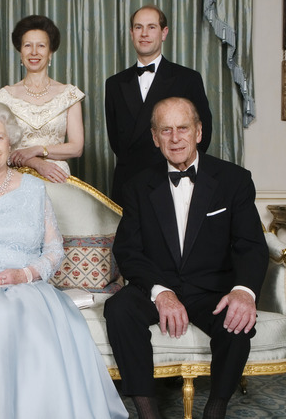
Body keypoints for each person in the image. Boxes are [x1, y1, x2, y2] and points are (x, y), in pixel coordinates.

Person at [0, 101, 128, 419]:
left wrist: (24, 274)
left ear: (10, 143)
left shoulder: (33, 188)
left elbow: (54, 251)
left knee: (27, 319)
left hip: (26, 283)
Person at [103, 97, 268, 419]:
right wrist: (161, 292)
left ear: (198, 132)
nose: (175, 138)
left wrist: (243, 291)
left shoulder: (234, 180)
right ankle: (148, 411)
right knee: (119, 308)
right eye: (166, 130)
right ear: (155, 137)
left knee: (236, 321)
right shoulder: (137, 185)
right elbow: (128, 250)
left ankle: (216, 409)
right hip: (160, 285)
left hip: (213, 289)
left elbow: (250, 244)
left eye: (183, 128)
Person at [105, 5, 212, 207]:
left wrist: (178, 166)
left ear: (164, 33)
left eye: (151, 27)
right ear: (131, 33)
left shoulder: (188, 79)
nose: (144, 34)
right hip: (129, 183)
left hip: (173, 178)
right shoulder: (113, 84)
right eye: (138, 27)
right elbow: (116, 141)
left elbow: (202, 134)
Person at [0, 15, 84, 183]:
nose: (34, 52)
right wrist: (34, 162)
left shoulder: (69, 95)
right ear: (20, 52)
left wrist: (37, 150)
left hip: (57, 177)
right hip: (16, 180)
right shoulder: (3, 98)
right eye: (28, 45)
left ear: (50, 53)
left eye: (41, 46)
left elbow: (76, 148)